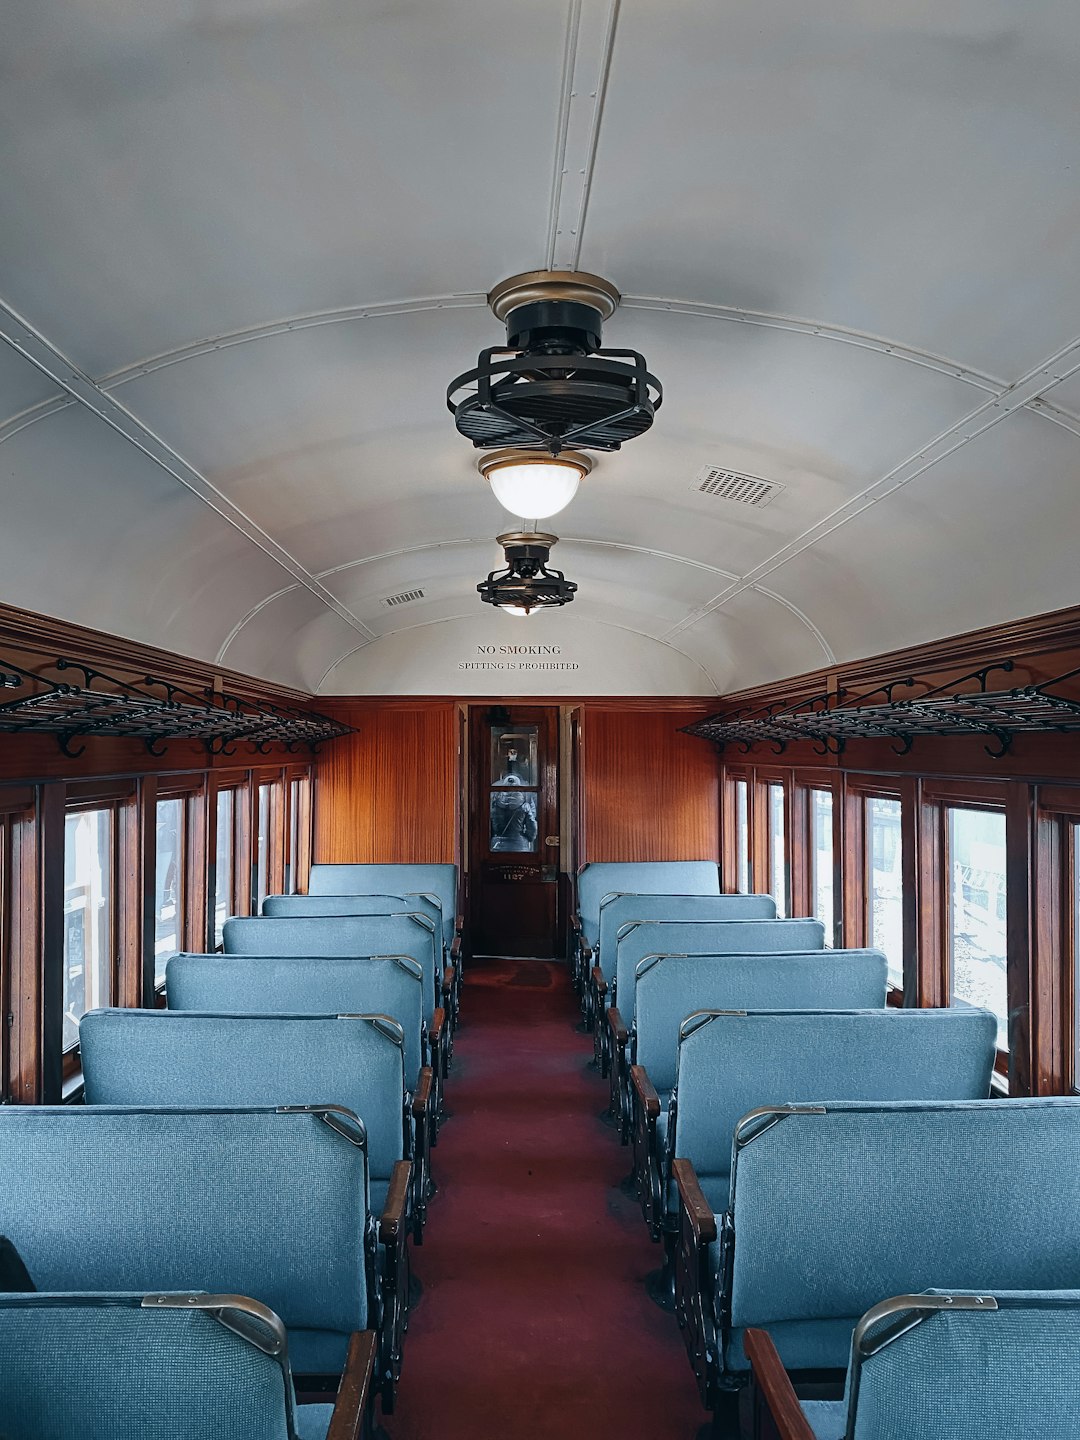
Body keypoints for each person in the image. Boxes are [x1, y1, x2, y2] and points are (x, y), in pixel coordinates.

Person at [490, 779, 538, 852]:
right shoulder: (524, 805)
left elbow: (490, 823)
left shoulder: (495, 804)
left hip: (498, 846)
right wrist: (528, 838)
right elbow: (532, 827)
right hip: (520, 846)